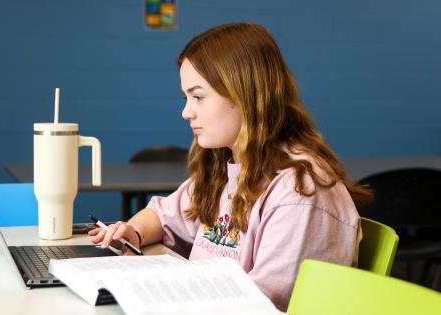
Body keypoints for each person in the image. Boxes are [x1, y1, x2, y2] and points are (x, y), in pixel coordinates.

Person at [89, 22, 372, 311]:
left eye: (198, 97)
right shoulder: (230, 167)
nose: (186, 112)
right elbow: (162, 216)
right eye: (186, 98)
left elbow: (259, 305)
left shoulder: (299, 193)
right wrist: (134, 232)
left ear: (245, 95)